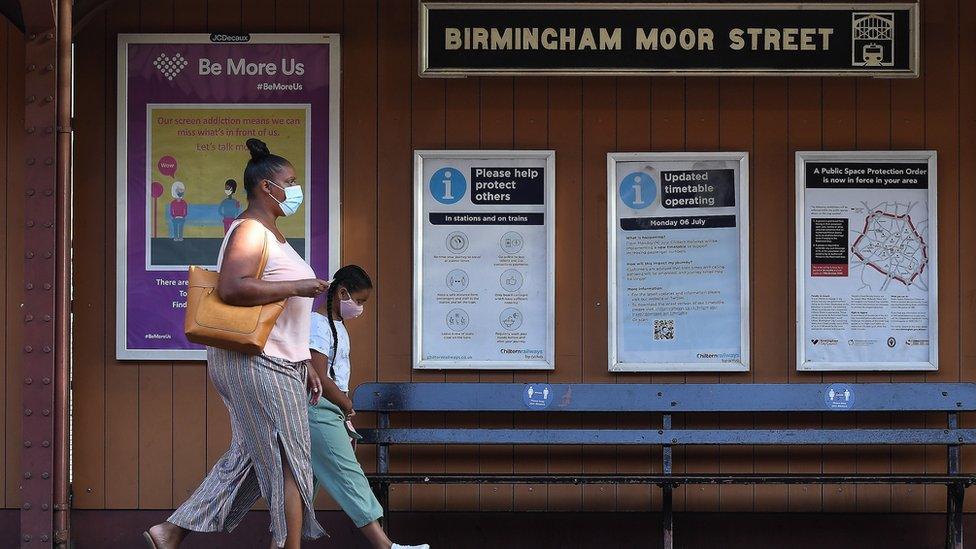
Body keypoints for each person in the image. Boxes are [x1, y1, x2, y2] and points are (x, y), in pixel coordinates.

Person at [145, 139, 328, 549]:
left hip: (278, 360)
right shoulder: (249, 229)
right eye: (290, 182)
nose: (296, 190)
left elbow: (283, 317)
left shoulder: (270, 233)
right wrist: (300, 284)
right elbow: (232, 288)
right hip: (259, 361)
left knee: (248, 458)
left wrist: (307, 362)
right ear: (266, 186)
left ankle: (170, 532)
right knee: (290, 461)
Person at [306, 265, 430, 549]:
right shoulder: (318, 324)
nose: (360, 308)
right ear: (342, 292)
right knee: (349, 476)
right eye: (358, 301)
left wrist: (343, 415)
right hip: (319, 411)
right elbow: (319, 377)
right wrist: (347, 405)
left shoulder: (336, 325)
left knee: (301, 488)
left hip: (329, 413)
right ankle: (385, 547)